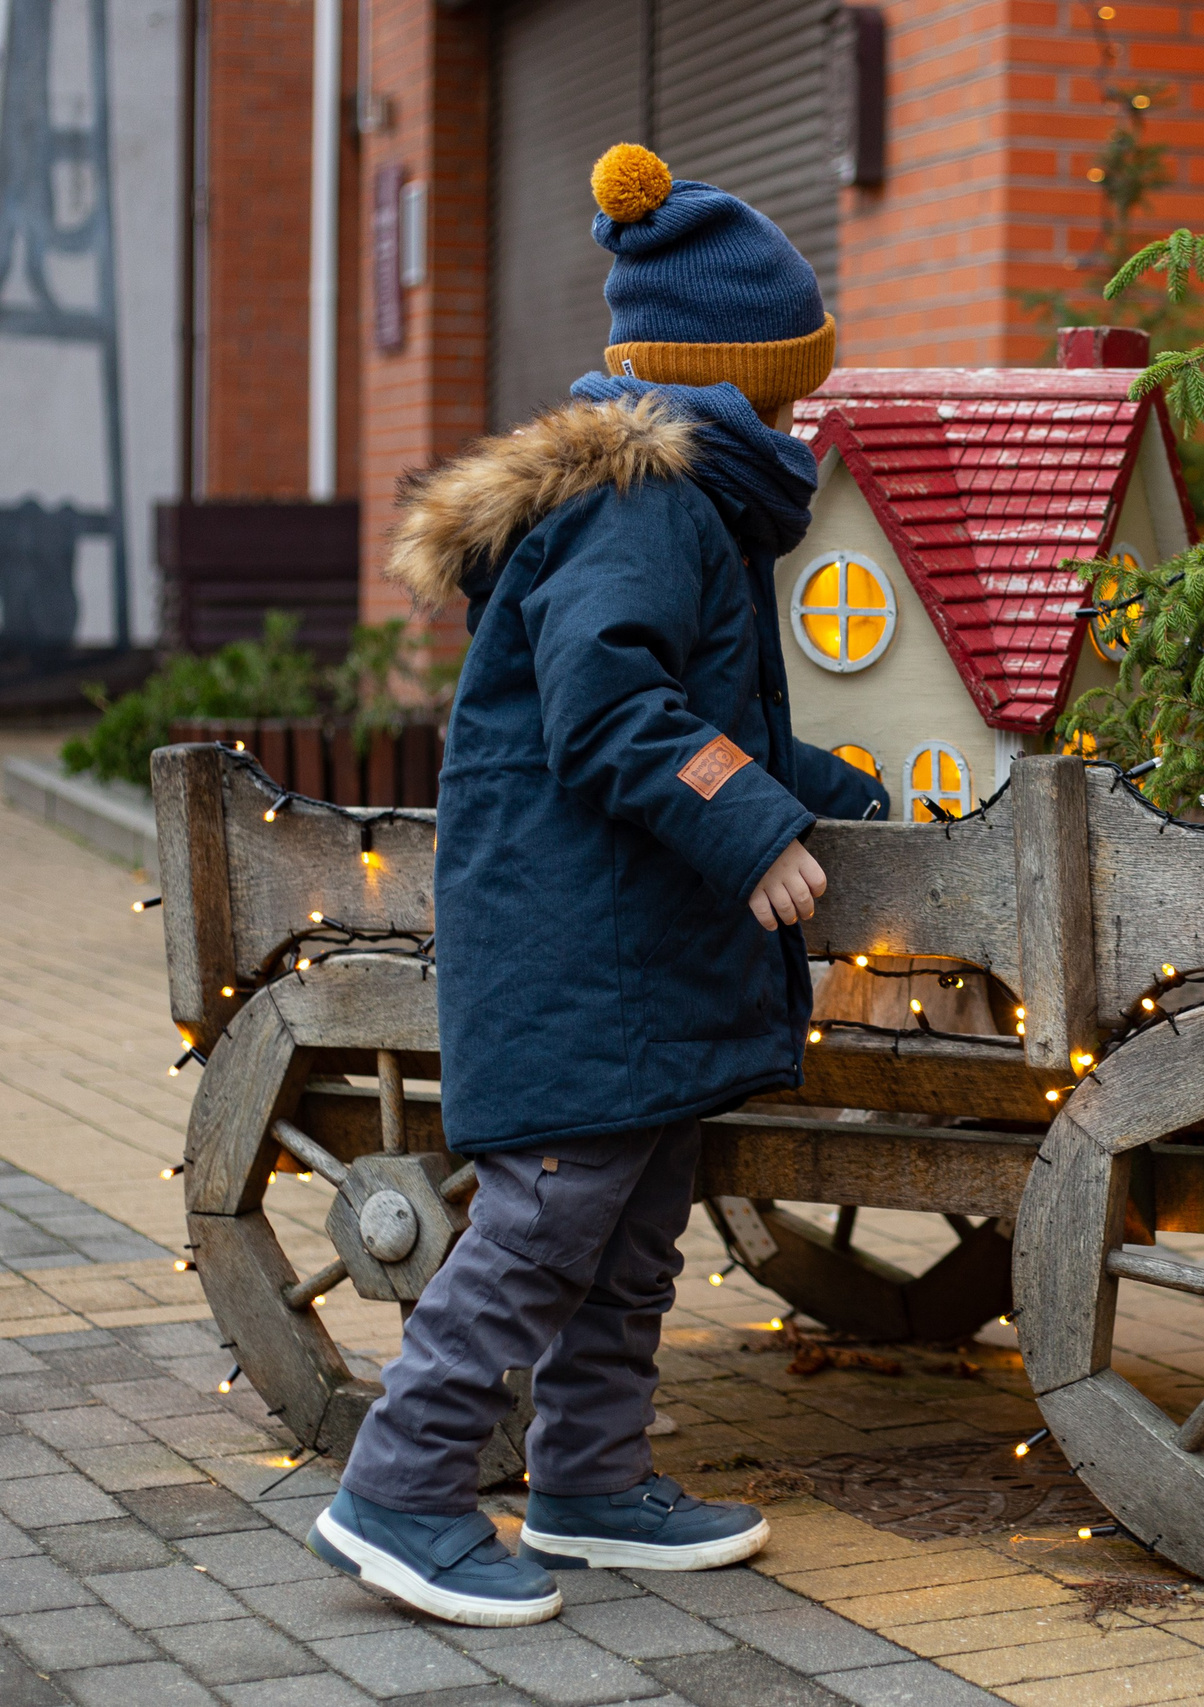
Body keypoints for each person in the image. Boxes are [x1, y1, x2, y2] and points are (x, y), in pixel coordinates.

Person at [308, 143, 889, 1627]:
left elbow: (708, 720)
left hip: (634, 954)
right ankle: (400, 1489)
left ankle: (588, 1479)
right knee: (544, 1231)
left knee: (630, 1234)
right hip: (584, 950)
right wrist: (754, 827)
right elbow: (610, 713)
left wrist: (823, 791)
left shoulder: (685, 502)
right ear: (734, 372)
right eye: (792, 375)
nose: (802, 404)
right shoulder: (647, 502)